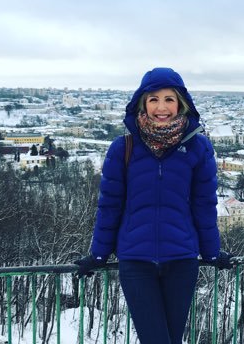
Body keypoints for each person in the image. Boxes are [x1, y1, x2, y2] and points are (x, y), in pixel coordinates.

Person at [75, 67, 233, 344]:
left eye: (169, 99)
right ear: (143, 103)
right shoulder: (123, 148)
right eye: (153, 99)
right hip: (136, 261)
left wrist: (210, 251)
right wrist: (98, 254)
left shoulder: (198, 148)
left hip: (182, 260)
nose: (161, 107)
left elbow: (204, 205)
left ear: (181, 103)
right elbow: (110, 205)